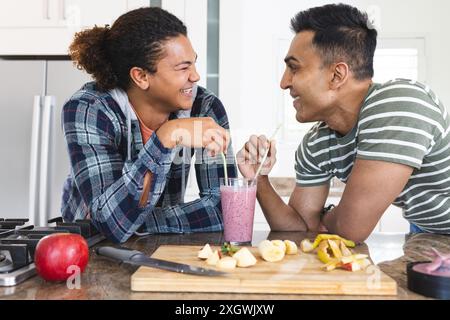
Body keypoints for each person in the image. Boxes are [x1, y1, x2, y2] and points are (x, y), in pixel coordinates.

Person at [237, 3, 450, 243]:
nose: (284, 82)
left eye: (293, 68)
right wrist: (259, 180)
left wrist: (322, 217)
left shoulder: (401, 103)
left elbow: (351, 229)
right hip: (427, 233)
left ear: (337, 75)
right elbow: (300, 230)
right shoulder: (316, 143)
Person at [62, 7, 237, 243]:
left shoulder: (204, 108)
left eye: (193, 64)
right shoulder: (89, 109)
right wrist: (167, 135)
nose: (195, 76)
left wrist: (136, 223)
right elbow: (109, 224)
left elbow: (224, 209)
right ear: (141, 77)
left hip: (158, 243)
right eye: (183, 68)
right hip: (88, 251)